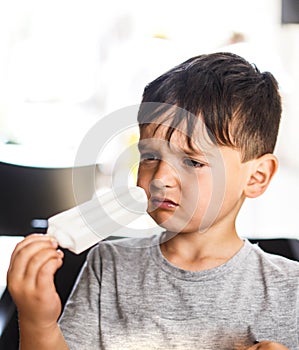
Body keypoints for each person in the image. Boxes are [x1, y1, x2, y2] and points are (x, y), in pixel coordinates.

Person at [7, 52, 298, 350]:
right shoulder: (108, 265)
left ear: (256, 176)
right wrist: (38, 322)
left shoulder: (290, 291)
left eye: (192, 162)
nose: (160, 178)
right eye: (150, 156)